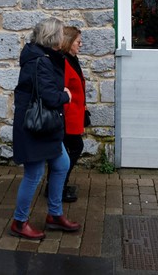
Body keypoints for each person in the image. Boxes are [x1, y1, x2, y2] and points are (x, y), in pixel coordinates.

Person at [10, 17, 81, 240]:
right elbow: (49, 95)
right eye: (60, 33)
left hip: (46, 126)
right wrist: (66, 96)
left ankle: (54, 214)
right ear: (52, 38)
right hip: (35, 126)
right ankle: (19, 222)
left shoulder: (46, 57)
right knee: (34, 173)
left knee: (62, 164)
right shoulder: (39, 61)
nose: (63, 37)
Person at [60, 26, 86, 203]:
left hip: (75, 112)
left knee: (70, 149)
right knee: (75, 147)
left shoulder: (72, 59)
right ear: (69, 43)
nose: (81, 44)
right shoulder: (64, 62)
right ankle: (58, 186)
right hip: (68, 115)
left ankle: (58, 185)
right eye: (78, 42)